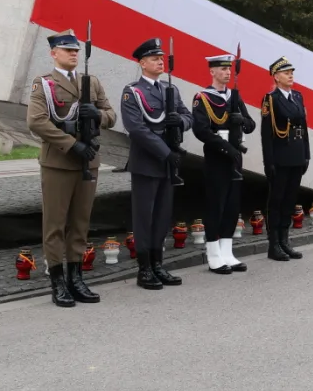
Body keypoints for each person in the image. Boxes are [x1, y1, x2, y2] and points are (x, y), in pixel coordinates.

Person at [26, 29, 117, 308]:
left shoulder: (92, 82)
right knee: (55, 225)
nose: (74, 53)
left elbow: (112, 116)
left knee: (80, 223)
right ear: (54, 53)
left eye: (76, 50)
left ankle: (76, 279)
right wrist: (72, 145)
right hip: (59, 162)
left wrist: (98, 116)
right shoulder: (44, 84)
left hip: (88, 162)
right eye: (67, 50)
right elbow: (37, 122)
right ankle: (58, 282)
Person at [119, 37, 191, 290]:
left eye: (161, 58)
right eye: (153, 58)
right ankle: (144, 268)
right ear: (142, 63)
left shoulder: (170, 90)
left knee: (162, 217)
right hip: (147, 162)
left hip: (167, 163)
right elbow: (136, 128)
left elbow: (187, 115)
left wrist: (179, 123)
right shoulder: (133, 91)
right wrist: (164, 152)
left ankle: (158, 264)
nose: (160, 62)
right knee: (144, 217)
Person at [192, 53, 256, 273]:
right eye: (222, 69)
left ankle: (227, 251)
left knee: (231, 205)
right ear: (212, 71)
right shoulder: (202, 97)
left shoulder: (234, 97)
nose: (227, 73)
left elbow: (251, 124)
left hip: (235, 156)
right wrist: (225, 147)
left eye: (229, 69)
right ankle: (213, 254)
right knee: (216, 204)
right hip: (217, 156)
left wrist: (242, 121)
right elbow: (201, 129)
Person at [260, 56, 310, 263]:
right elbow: (266, 134)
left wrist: (306, 154)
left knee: (290, 201)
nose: (290, 75)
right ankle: (274, 245)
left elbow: (304, 128)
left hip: (297, 155)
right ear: (276, 77)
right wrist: (268, 162)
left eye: (291, 72)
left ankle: (285, 241)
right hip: (280, 157)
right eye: (286, 73)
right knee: (277, 201)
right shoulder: (271, 99)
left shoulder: (297, 96)